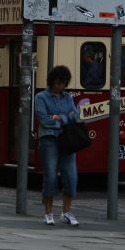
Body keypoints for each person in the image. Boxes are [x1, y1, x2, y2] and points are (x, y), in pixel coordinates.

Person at [34, 64, 80, 227]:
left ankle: (66, 212)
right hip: (49, 140)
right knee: (51, 176)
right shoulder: (41, 97)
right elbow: (43, 118)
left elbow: (76, 115)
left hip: (67, 141)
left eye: (63, 83)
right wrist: (63, 119)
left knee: (71, 177)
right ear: (52, 81)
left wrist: (59, 118)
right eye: (58, 83)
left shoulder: (68, 97)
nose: (60, 86)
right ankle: (48, 213)